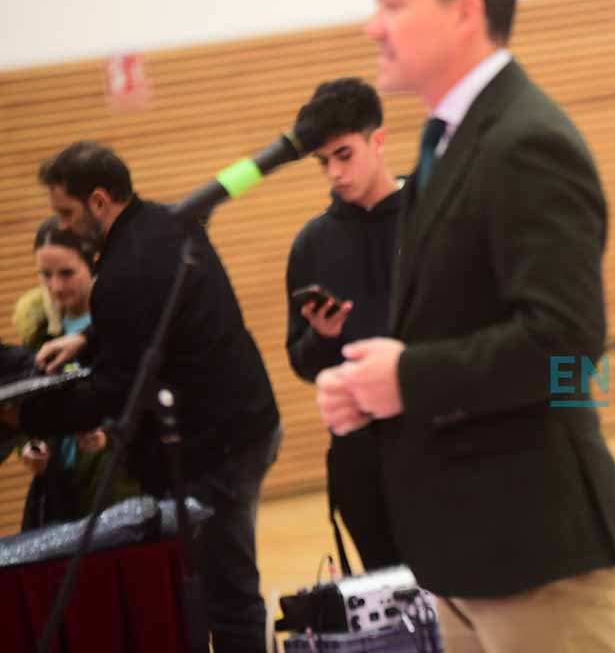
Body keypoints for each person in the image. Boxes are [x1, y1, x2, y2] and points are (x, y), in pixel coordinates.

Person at [313, 0, 615, 653]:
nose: (372, 26)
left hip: (537, 552)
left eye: (391, 4)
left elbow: (562, 342)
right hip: (468, 552)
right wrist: (374, 388)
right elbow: (453, 324)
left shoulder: (525, 140)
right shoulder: (448, 139)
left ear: (464, 12)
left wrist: (407, 378)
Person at [0, 141, 281, 653]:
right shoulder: (168, 222)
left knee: (227, 596)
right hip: (244, 427)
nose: (63, 225)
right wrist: (87, 339)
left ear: (99, 201)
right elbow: (156, 321)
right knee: (223, 589)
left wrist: (26, 416)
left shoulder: (122, 273)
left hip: (214, 450)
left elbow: (113, 392)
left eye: (67, 213)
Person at [286, 76, 401, 572]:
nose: (334, 172)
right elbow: (301, 361)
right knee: (387, 587)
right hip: (360, 454)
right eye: (323, 161)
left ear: (378, 140)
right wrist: (321, 337)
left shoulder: (433, 216)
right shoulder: (311, 243)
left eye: (344, 154)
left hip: (441, 441)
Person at [10, 218, 138, 529]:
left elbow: (144, 404)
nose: (56, 286)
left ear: (93, 264)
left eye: (66, 273)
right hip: (57, 492)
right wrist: (28, 447)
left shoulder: (122, 325)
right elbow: (23, 405)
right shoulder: (39, 332)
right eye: (46, 274)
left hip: (115, 489)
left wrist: (108, 436)